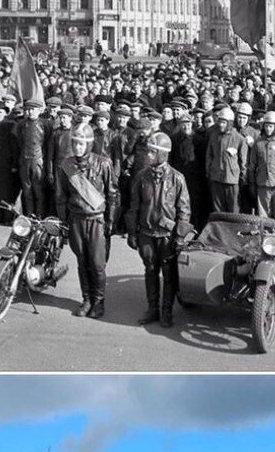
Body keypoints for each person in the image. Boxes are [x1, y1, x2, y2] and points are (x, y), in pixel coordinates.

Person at [127, 130, 192, 328]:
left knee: (168, 274)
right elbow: (134, 207)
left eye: (152, 152)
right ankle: (153, 309)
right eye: (148, 151)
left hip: (167, 236)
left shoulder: (177, 178)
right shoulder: (141, 177)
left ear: (163, 154)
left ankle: (166, 312)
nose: (148, 155)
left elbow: (184, 210)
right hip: (146, 233)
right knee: (150, 270)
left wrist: (179, 237)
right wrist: (132, 232)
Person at [55, 121, 117, 319]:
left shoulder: (104, 163)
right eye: (75, 143)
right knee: (82, 262)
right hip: (76, 219)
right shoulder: (66, 166)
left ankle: (99, 302)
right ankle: (87, 299)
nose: (77, 147)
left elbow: (113, 194)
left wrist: (110, 222)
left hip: (97, 219)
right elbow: (61, 196)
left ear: (89, 144)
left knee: (97, 264)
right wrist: (64, 221)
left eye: (81, 144)